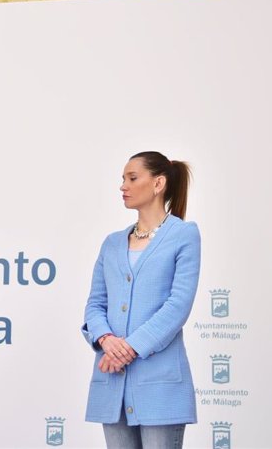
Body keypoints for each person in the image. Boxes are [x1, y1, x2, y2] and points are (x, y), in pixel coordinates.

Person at [82, 151, 200, 449]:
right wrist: (107, 339)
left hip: (159, 385)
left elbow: (177, 306)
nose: (123, 185)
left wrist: (129, 348)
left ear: (158, 183)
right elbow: (95, 304)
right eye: (123, 179)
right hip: (112, 385)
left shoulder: (184, 235)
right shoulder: (111, 243)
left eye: (132, 178)